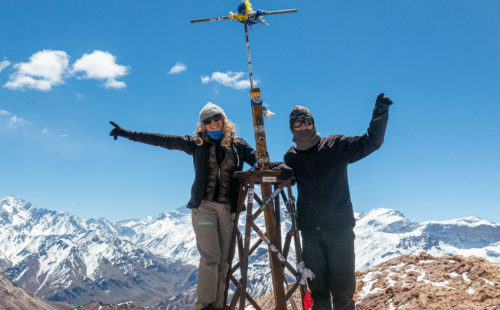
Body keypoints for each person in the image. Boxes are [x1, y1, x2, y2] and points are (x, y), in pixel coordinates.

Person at [109, 102, 289, 310]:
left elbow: (258, 161)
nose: (213, 123)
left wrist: (278, 167)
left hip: (228, 209)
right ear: (202, 124)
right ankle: (204, 306)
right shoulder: (196, 143)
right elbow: (162, 140)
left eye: (216, 118)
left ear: (223, 119)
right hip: (204, 207)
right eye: (207, 120)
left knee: (224, 261)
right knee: (210, 258)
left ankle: (219, 305)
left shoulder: (238, 145)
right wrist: (127, 133)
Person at [284, 93, 393, 310]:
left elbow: (371, 142)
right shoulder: (292, 157)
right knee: (318, 293)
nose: (304, 126)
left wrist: (379, 113)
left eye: (307, 121)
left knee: (343, 291)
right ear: (292, 128)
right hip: (310, 234)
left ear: (314, 124)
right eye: (298, 122)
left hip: (339, 230)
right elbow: (286, 175)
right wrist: (281, 170)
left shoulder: (334, 146)